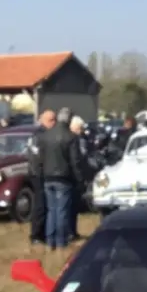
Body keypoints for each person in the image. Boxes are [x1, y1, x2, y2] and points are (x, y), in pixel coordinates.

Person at [37, 107, 82, 254]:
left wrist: (41, 173)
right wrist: (79, 179)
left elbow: (40, 158)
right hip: (64, 177)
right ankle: (61, 242)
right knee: (62, 211)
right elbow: (75, 161)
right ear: (69, 120)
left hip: (47, 177)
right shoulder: (71, 137)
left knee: (51, 210)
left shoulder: (45, 136)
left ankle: (50, 241)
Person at [28, 109, 56, 245]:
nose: (54, 123)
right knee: (40, 205)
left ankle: (41, 232)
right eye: (52, 120)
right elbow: (38, 157)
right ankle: (36, 234)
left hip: (37, 172)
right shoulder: (41, 135)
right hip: (38, 173)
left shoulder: (38, 134)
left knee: (42, 204)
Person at [69, 115, 89, 241]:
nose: (82, 131)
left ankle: (72, 231)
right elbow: (81, 155)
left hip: (70, 175)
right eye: (80, 128)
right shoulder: (76, 140)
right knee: (72, 206)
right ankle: (71, 232)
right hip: (74, 176)